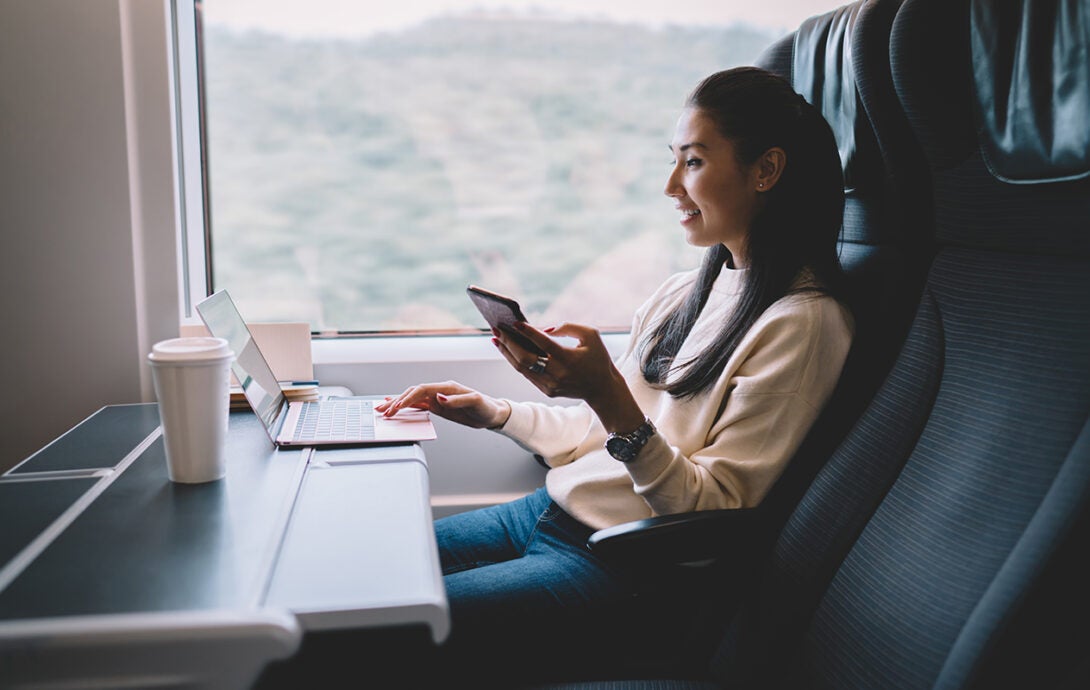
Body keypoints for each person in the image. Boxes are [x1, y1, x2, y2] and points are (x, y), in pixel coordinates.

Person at [375, 65, 853, 683]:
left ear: (766, 171)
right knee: (364, 576)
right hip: (545, 513)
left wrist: (610, 399)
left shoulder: (805, 324)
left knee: (382, 628)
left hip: (623, 560)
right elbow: (595, 431)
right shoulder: (687, 290)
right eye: (673, 160)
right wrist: (492, 412)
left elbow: (710, 512)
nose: (669, 186)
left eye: (693, 162)